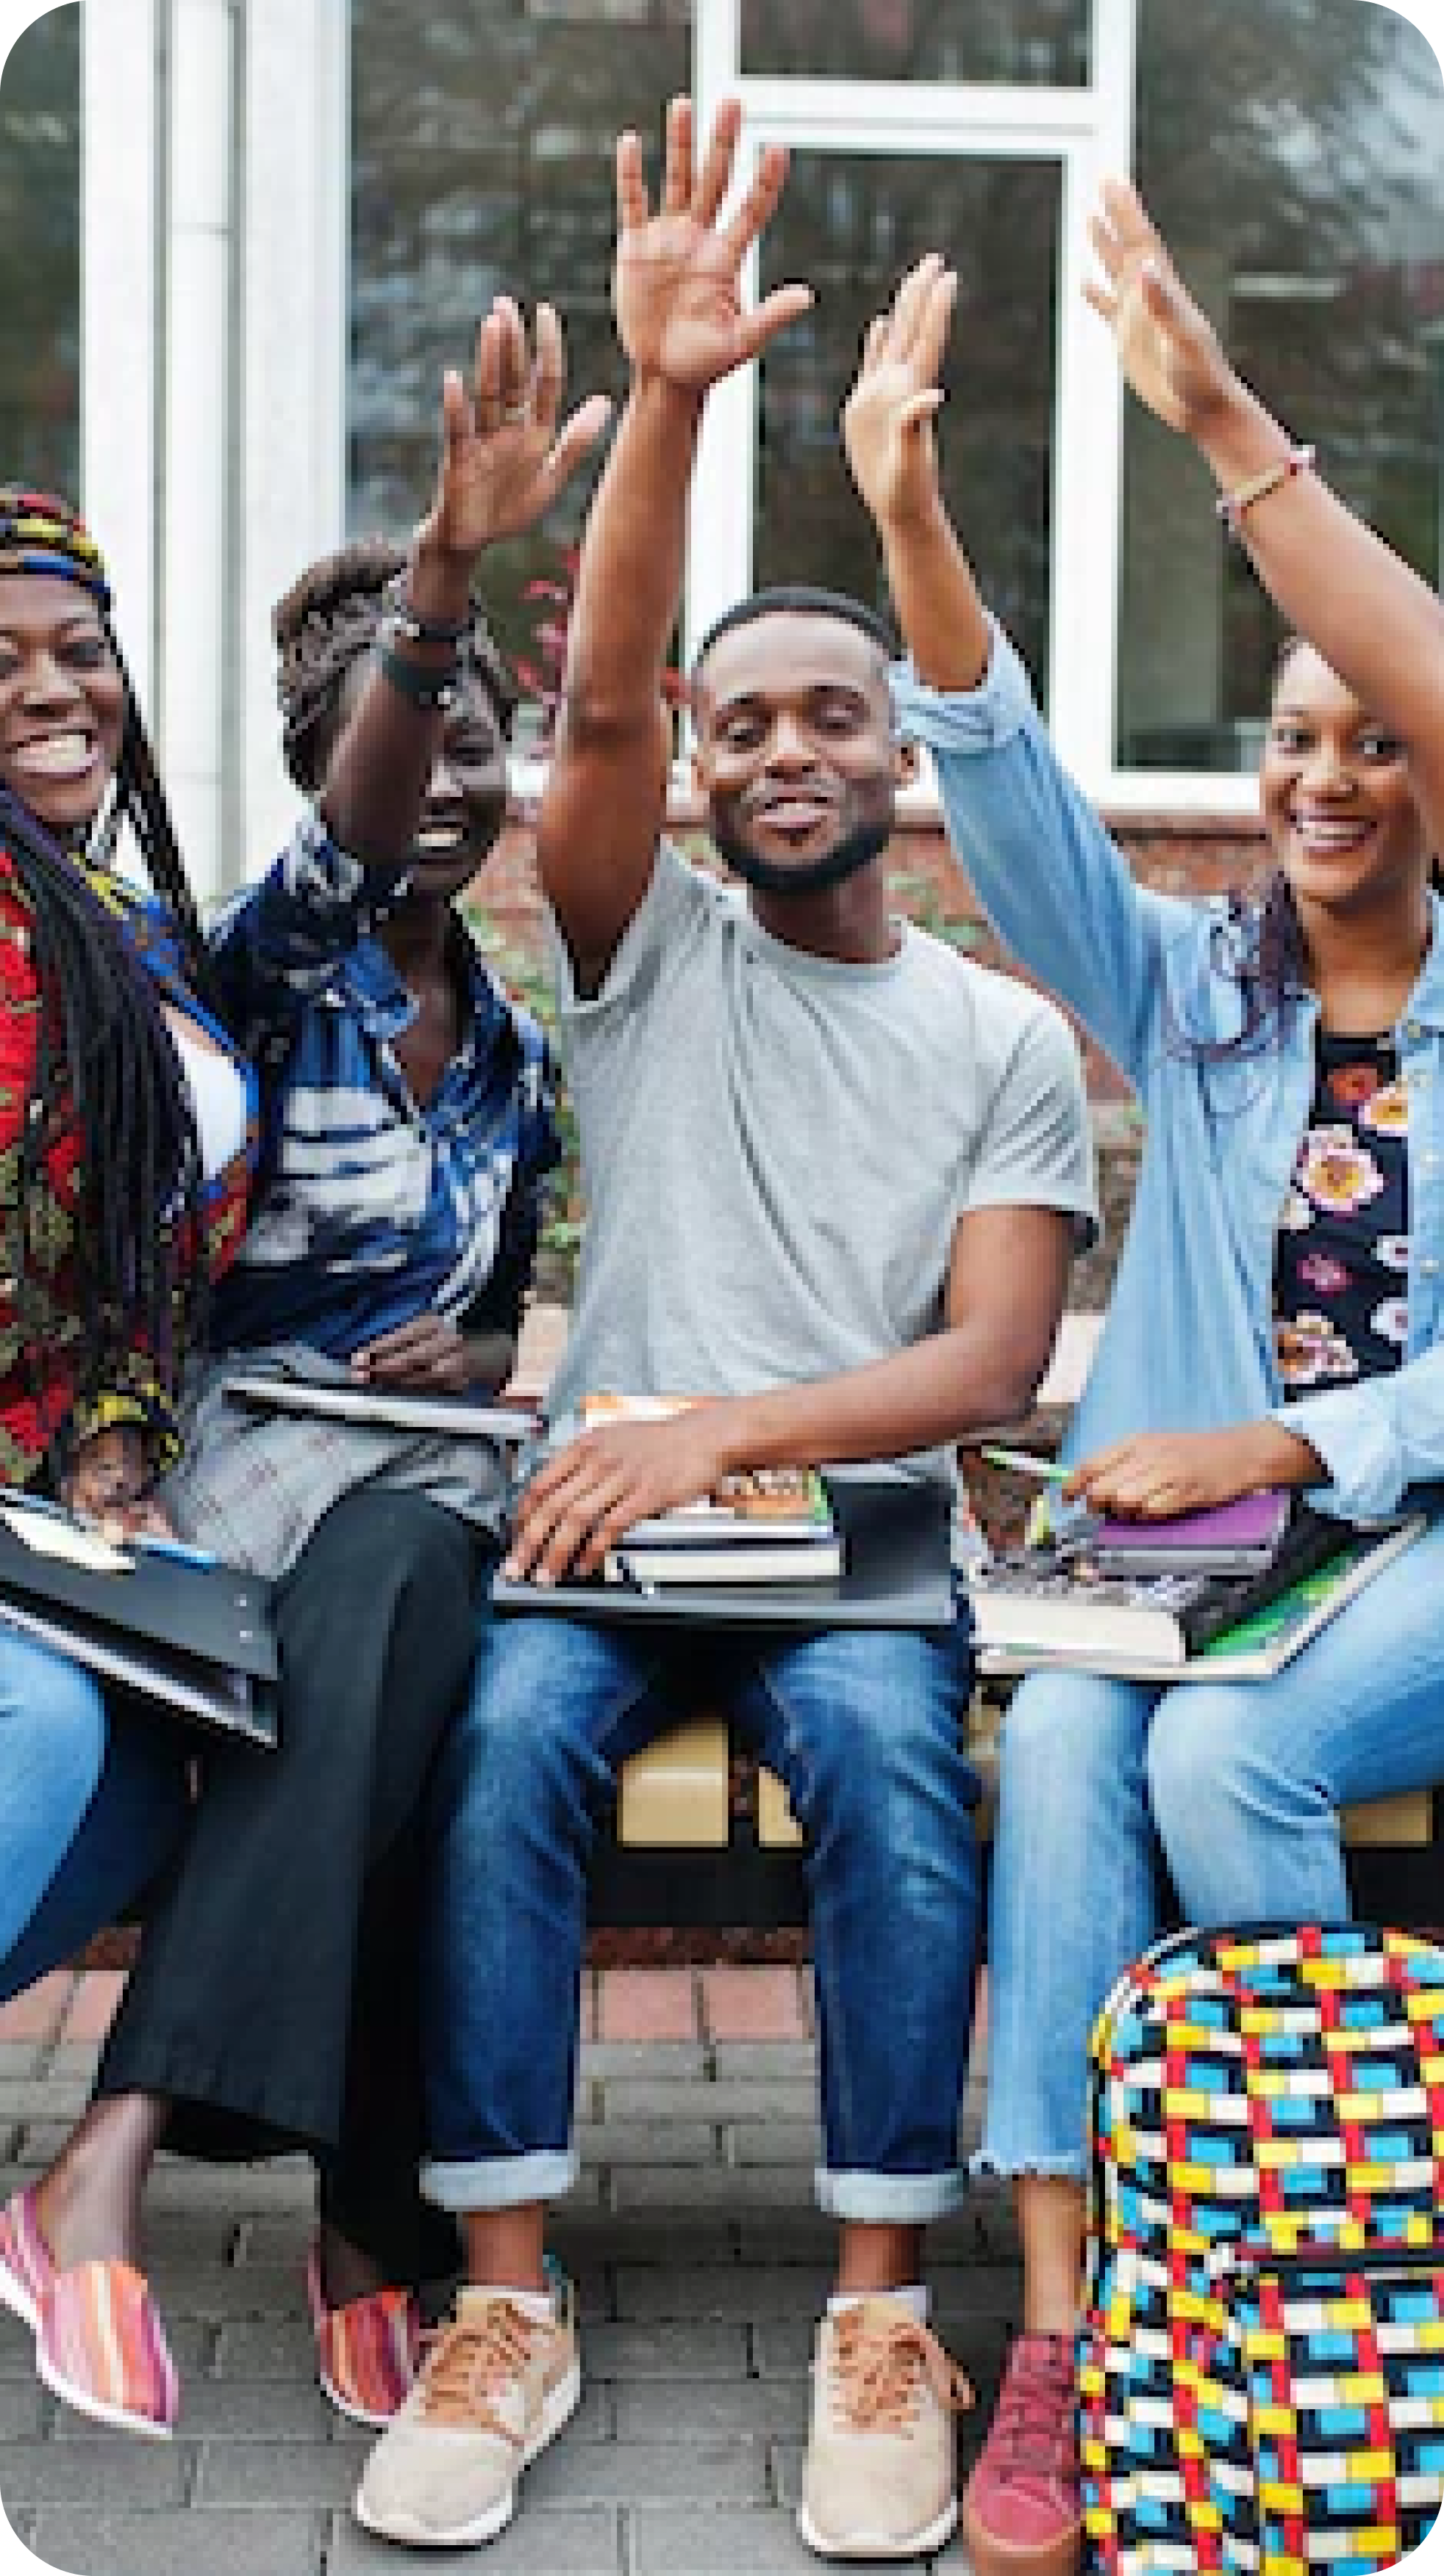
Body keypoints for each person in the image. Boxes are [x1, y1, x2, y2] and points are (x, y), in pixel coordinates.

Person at [351, 99, 1095, 2562]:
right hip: (598, 1532)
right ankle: (502, 2295)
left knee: (905, 1786)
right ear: (701, 756)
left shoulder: (992, 1033)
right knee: (506, 1761)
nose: (784, 750)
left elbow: (990, 1365)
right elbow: (576, 729)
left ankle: (879, 2301)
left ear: (899, 760)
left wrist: (716, 1432)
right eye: (738, 721)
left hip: (844, 1546)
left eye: (829, 718)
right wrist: (663, 394)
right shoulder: (638, 949)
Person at [837, 191, 1444, 2576]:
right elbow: (995, 801)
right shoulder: (1204, 994)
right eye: (1290, 740)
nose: (1321, 781)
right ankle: (1084, 2339)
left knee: (1223, 1744)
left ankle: (1317, 2258)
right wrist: (905, 511)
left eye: (1372, 738)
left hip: (1394, 1546)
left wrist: (1299, 1440)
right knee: (1086, 1726)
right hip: (1188, 1562)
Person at [0, 301, 609, 2439]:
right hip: (237, 1488)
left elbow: (520, 1280)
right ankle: (340, 2217)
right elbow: (334, 880)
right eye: (401, 748)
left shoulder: (525, 1049)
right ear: (320, 771)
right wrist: (441, 581)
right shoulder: (248, 970)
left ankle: (163, 2167)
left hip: (421, 1479)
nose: (441, 793)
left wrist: (487, 1348)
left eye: (469, 749)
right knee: (382, 1650)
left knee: (404, 1656)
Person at [0, 483, 257, 1993]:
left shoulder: (122, 926)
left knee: (151, 1778)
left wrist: (112, 1442)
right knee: (46, 1726)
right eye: (3, 658)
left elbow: (129, 1266)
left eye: (79, 648)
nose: (50, 687)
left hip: (54, 1517)